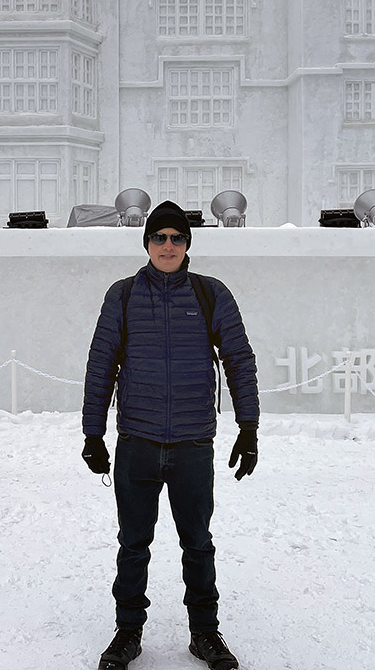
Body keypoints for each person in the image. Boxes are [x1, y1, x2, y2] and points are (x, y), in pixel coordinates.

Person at [81, 200, 260, 670]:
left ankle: (205, 633)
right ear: (146, 243)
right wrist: (93, 433)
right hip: (136, 441)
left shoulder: (210, 294)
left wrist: (248, 428)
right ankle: (127, 633)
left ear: (187, 244)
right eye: (159, 237)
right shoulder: (121, 296)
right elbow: (101, 366)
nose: (167, 245)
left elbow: (239, 359)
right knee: (133, 543)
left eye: (176, 238)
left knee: (197, 542)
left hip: (192, 444)